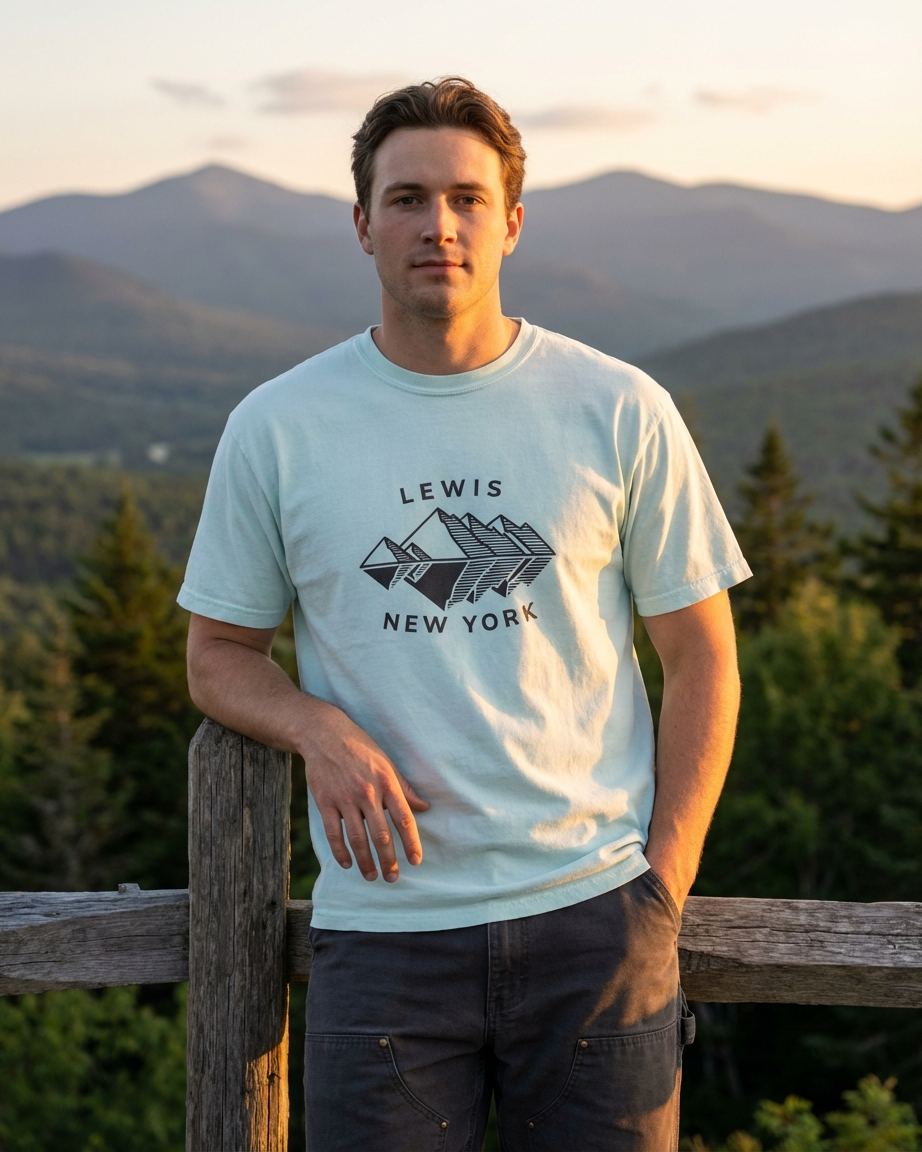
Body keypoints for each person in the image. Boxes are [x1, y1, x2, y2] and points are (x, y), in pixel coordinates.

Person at [180, 77, 750, 1152]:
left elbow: (703, 657)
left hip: (596, 924)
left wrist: (659, 889)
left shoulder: (617, 407)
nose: (436, 225)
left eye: (465, 198)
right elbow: (217, 657)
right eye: (404, 199)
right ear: (361, 224)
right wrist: (316, 727)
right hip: (385, 937)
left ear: (511, 222)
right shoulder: (277, 427)